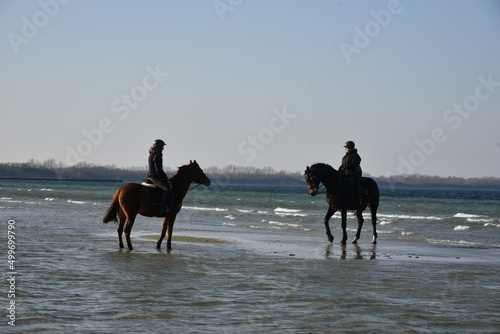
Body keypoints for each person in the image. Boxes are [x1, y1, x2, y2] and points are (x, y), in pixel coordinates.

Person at [147, 139, 171, 215]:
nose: (163, 148)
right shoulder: (157, 155)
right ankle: (162, 208)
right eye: (162, 147)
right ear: (159, 147)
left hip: (151, 175)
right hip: (154, 177)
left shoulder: (152, 153)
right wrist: (166, 177)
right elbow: (159, 170)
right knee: (167, 189)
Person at [338, 141, 363, 205]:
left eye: (347, 147)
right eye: (346, 148)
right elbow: (342, 165)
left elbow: (353, 164)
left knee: (355, 183)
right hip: (346, 173)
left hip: (355, 173)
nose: (346, 149)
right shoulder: (344, 157)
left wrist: (345, 168)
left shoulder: (356, 156)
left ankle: (360, 198)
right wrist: (339, 170)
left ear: (351, 148)